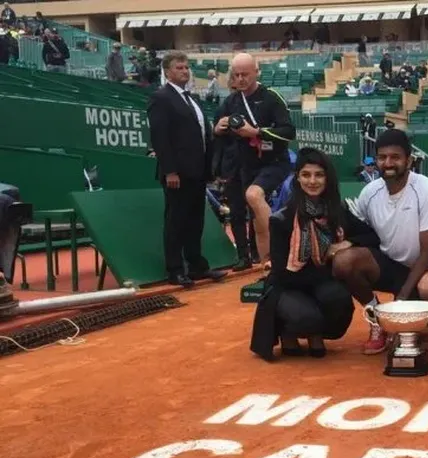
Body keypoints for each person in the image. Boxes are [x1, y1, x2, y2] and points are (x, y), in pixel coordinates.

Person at [250, 148, 376, 361]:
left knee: (340, 300)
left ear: (327, 178)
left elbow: (371, 236)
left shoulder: (335, 211)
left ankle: (316, 331)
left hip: (317, 280)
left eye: (319, 175)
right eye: (306, 175)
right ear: (297, 178)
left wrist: (346, 242)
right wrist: (327, 274)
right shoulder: (282, 219)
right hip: (287, 285)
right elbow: (282, 274)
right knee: (307, 316)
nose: (312, 181)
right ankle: (289, 331)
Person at [332, 129, 428, 355]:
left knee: (413, 338)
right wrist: (349, 243)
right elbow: (365, 235)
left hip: (421, 272)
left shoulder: (427, 190)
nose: (388, 163)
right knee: (343, 261)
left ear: (409, 160)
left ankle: (425, 318)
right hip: (386, 266)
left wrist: (401, 300)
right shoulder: (369, 193)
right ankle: (376, 320)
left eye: (395, 157)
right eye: (382, 157)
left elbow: (427, 251)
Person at [147, 51, 225, 288]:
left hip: (197, 172)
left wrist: (210, 169)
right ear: (167, 72)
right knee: (176, 222)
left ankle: (197, 266)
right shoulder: (161, 98)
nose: (185, 71)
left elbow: (203, 136)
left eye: (186, 67)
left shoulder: (193, 99)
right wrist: (170, 171)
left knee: (195, 221)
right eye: (179, 67)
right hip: (177, 174)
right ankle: (175, 269)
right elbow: (160, 138)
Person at [213, 52, 296, 270]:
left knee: (254, 197)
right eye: (236, 75)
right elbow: (218, 133)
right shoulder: (230, 102)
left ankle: (269, 254)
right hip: (240, 165)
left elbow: (288, 131)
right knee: (238, 210)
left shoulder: (271, 97)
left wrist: (257, 132)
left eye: (245, 74)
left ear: (256, 72)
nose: (240, 79)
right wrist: (218, 128)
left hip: (272, 161)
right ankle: (245, 256)